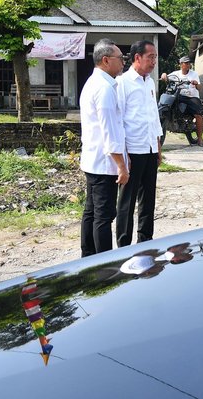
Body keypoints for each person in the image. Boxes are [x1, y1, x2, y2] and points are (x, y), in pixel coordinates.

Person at [79, 38, 129, 257]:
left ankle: (88, 257)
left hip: (93, 160)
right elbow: (109, 131)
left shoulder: (94, 83)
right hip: (104, 163)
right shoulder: (104, 88)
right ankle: (103, 263)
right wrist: (121, 165)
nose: (123, 63)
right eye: (121, 58)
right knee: (104, 216)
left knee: (91, 212)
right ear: (106, 60)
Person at [116, 40, 163, 247]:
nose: (154, 61)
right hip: (132, 150)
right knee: (127, 200)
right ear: (137, 58)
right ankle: (123, 245)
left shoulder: (150, 82)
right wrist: (123, 155)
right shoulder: (123, 83)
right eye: (150, 57)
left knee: (148, 199)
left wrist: (158, 147)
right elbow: (119, 121)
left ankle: (145, 241)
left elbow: (154, 117)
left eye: (155, 57)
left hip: (150, 148)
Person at [161, 56, 203, 146]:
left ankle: (200, 139)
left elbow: (200, 88)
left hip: (192, 97)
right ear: (181, 64)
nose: (188, 64)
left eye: (189, 63)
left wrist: (196, 84)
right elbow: (166, 77)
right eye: (186, 63)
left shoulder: (194, 74)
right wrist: (164, 75)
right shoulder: (176, 73)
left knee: (198, 115)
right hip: (179, 96)